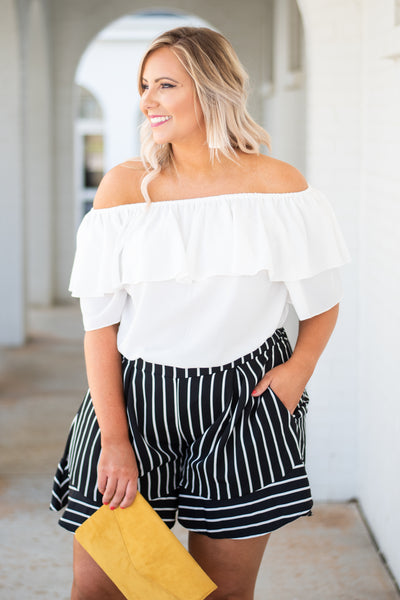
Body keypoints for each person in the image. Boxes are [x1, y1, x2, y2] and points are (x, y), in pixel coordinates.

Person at [51, 26, 350, 600]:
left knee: (223, 594)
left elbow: (324, 300)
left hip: (244, 403)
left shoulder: (277, 188)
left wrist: (298, 371)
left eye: (166, 85)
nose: (148, 101)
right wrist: (114, 438)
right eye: (144, 85)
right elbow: (100, 327)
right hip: (132, 401)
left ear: (212, 90)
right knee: (98, 591)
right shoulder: (123, 191)